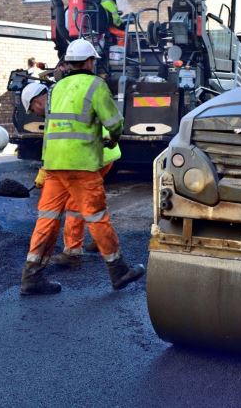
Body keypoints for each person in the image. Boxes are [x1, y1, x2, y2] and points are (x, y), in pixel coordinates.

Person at [19, 38, 144, 296]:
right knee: (96, 216)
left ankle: (31, 276)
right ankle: (118, 271)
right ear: (89, 62)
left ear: (68, 63)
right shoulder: (95, 85)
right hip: (82, 164)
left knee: (47, 219)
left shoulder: (54, 90)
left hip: (54, 164)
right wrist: (114, 136)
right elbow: (114, 122)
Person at [21, 82, 121, 267]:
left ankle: (73, 252)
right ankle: (99, 241)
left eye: (32, 109)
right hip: (97, 154)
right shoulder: (63, 100)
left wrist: (47, 169)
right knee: (84, 204)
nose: (35, 114)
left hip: (92, 156)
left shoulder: (55, 109)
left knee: (75, 204)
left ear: (37, 101)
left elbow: (57, 144)